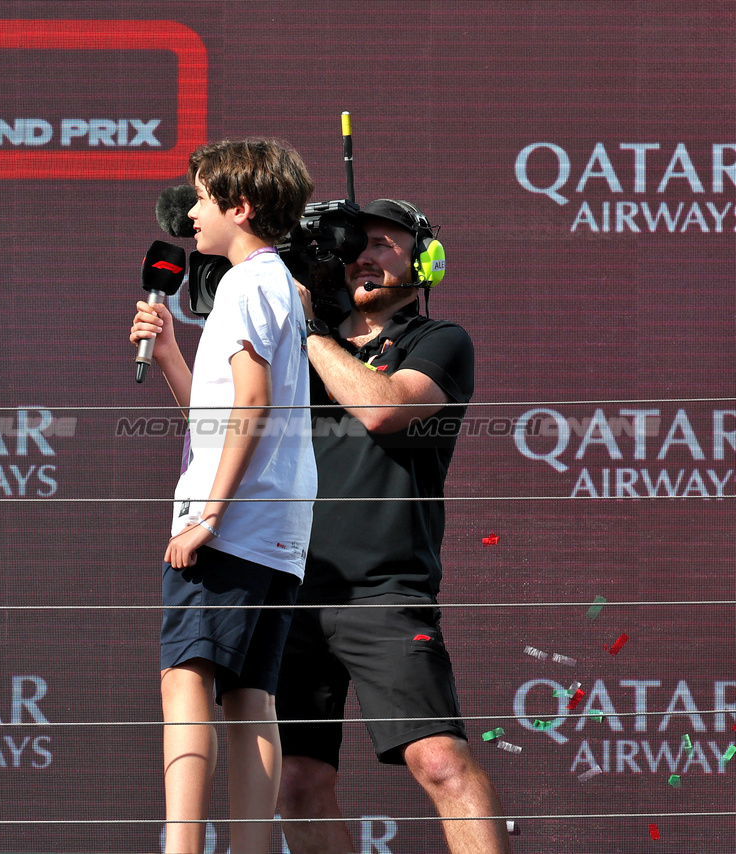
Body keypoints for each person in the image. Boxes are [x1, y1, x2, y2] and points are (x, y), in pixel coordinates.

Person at [276, 200, 509, 853]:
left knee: (439, 761)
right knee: (296, 779)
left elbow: (383, 409)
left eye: (384, 244)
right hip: (292, 587)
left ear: (424, 262)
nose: (366, 256)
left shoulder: (438, 340)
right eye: (357, 245)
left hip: (383, 592)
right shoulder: (301, 342)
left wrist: (313, 331)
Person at [129, 138, 317, 854]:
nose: (192, 213)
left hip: (234, 523)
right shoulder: (275, 284)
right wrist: (175, 354)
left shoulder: (244, 284)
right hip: (276, 528)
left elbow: (254, 404)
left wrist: (206, 514)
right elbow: (223, 419)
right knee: (248, 696)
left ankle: (181, 847)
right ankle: (249, 846)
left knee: (186, 677)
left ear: (240, 207)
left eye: (203, 199)